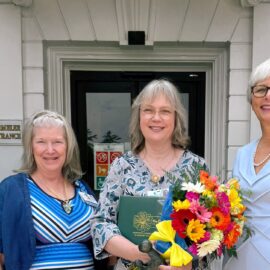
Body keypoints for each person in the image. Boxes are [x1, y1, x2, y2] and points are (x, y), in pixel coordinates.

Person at [91, 79, 209, 270]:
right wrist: (139, 253)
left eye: (165, 111)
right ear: (139, 117)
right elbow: (101, 223)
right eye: (148, 110)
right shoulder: (121, 166)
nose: (156, 118)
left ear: (176, 118)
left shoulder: (195, 167)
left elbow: (209, 230)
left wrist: (187, 263)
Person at [0, 110, 98, 270]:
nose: (50, 150)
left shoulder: (83, 189)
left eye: (57, 142)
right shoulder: (11, 190)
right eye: (41, 142)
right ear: (30, 146)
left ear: (68, 146)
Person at [224, 58, 270, 269]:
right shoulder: (243, 153)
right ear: (251, 99)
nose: (267, 96)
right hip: (237, 255)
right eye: (261, 89)